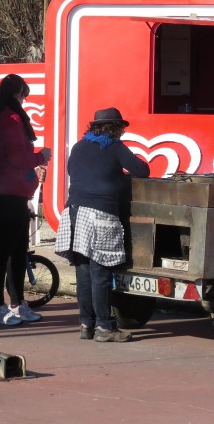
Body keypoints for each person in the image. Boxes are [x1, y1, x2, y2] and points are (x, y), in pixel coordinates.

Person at [54, 107, 150, 343]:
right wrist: (120, 177)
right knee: (101, 274)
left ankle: (86, 324)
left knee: (83, 272)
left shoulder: (78, 147)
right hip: (99, 215)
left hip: (73, 213)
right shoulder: (114, 146)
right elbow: (142, 170)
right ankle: (105, 328)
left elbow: (81, 174)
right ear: (114, 128)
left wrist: (114, 176)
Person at [0, 74, 52, 325]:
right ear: (17, 93)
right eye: (24, 95)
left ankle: (7, 303)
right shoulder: (11, 118)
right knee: (11, 253)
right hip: (10, 193)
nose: (24, 100)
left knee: (5, 252)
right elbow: (16, 158)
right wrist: (40, 156)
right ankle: (6, 305)